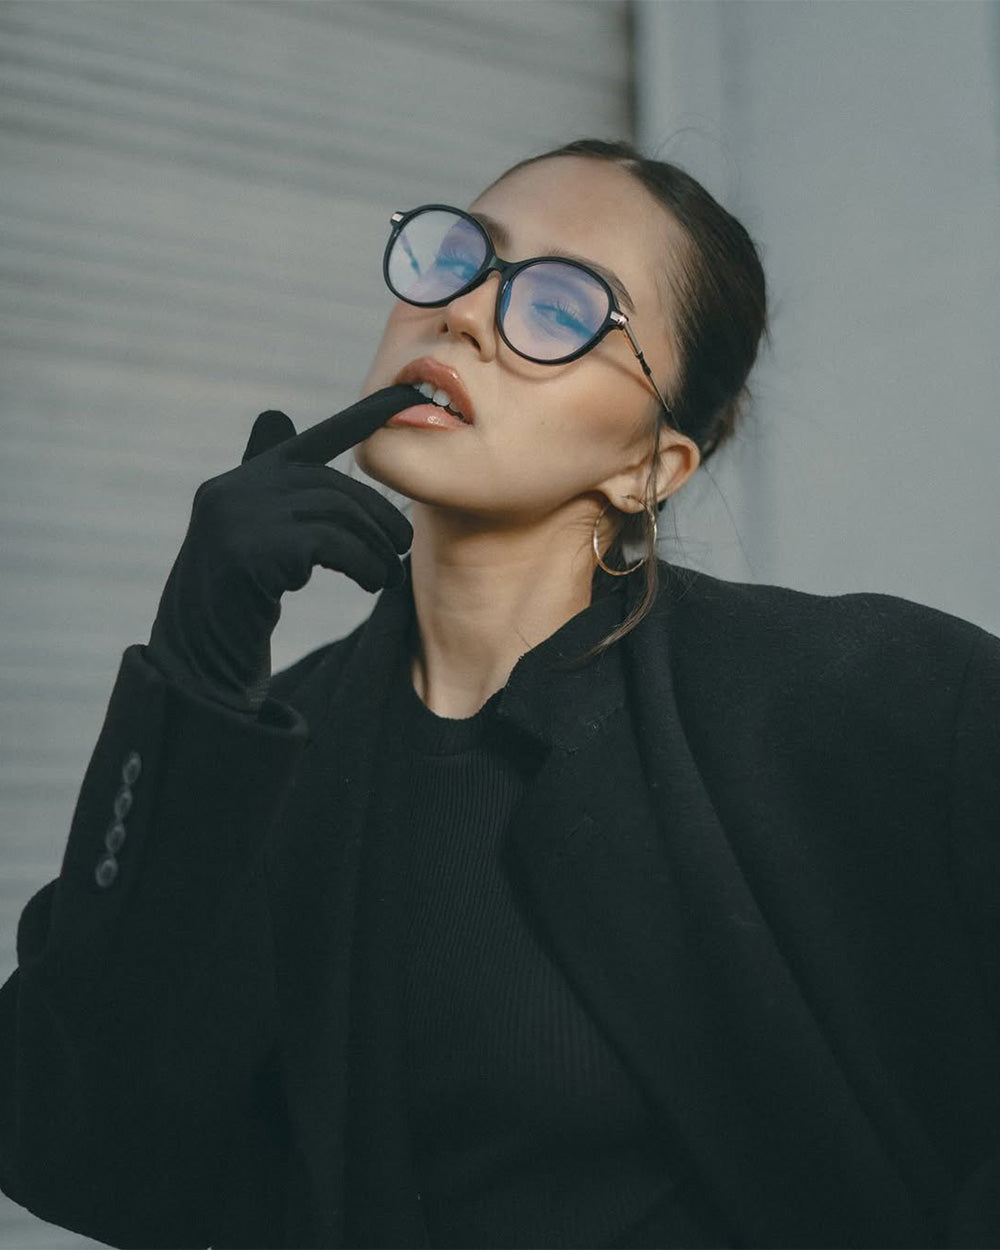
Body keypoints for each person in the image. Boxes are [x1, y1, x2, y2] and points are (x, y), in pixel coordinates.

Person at [0, 137, 998, 1250]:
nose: (465, 312)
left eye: (563, 306)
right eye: (457, 257)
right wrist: (196, 680)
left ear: (649, 468)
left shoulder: (865, 695)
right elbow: (82, 1153)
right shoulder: (274, 754)